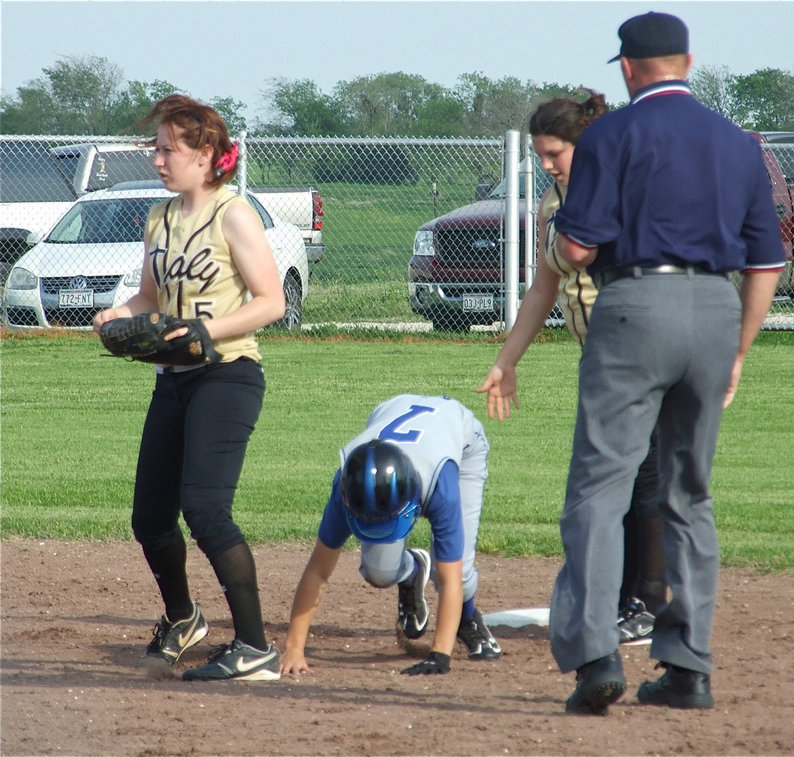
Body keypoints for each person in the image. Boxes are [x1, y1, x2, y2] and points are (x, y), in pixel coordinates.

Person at [548, 12, 784, 714]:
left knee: (601, 483)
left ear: (627, 68)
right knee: (690, 491)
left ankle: (596, 658)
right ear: (687, 60)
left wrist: (558, 253)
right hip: (715, 306)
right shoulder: (739, 142)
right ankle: (689, 668)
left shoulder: (612, 133)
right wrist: (739, 347)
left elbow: (581, 247)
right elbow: (766, 261)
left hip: (635, 304)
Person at [93, 94, 288, 682]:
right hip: (172, 379)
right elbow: (151, 297)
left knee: (204, 508)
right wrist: (114, 312)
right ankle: (183, 618)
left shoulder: (234, 213)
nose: (158, 159)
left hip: (228, 374)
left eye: (168, 149)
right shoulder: (160, 217)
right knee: (150, 517)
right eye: (155, 148)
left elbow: (271, 302)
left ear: (206, 155)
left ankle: (255, 646)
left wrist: (208, 328)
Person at [477, 91, 667, 644]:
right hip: (601, 356)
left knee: (642, 473)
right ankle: (626, 599)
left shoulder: (623, 188)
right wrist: (506, 361)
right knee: (621, 476)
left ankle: (649, 602)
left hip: (642, 347)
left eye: (555, 152)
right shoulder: (553, 201)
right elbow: (545, 284)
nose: (546, 163)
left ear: (588, 145)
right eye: (540, 154)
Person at [279, 393, 501, 677]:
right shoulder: (347, 485)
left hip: (462, 442)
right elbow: (318, 570)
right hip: (392, 413)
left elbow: (450, 579)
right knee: (379, 572)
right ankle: (412, 572)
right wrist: (294, 648)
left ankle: (467, 619)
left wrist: (439, 655)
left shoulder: (439, 484)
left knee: (463, 573)